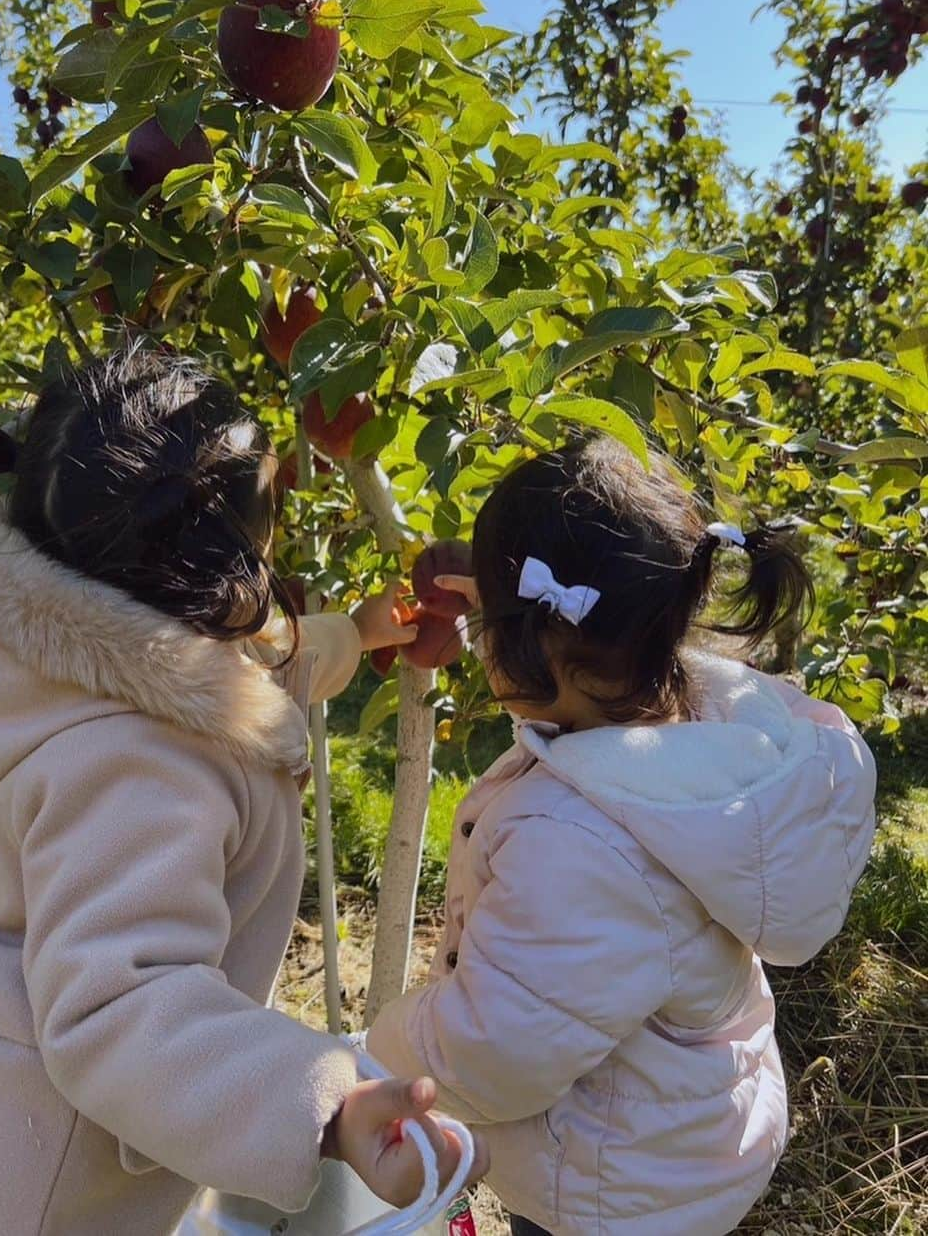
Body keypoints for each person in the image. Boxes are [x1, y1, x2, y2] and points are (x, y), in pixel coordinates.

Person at [0, 349, 486, 1235]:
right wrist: (330, 1106)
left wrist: (366, 632)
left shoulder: (69, 635)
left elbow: (255, 666)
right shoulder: (142, 764)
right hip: (19, 1193)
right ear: (213, 562)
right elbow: (120, 1005)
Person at [367, 436, 876, 1236]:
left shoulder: (576, 843)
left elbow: (497, 1052)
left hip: (608, 1184)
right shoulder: (700, 734)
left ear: (527, 643)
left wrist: (376, 1057)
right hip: (681, 1134)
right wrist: (507, 603)